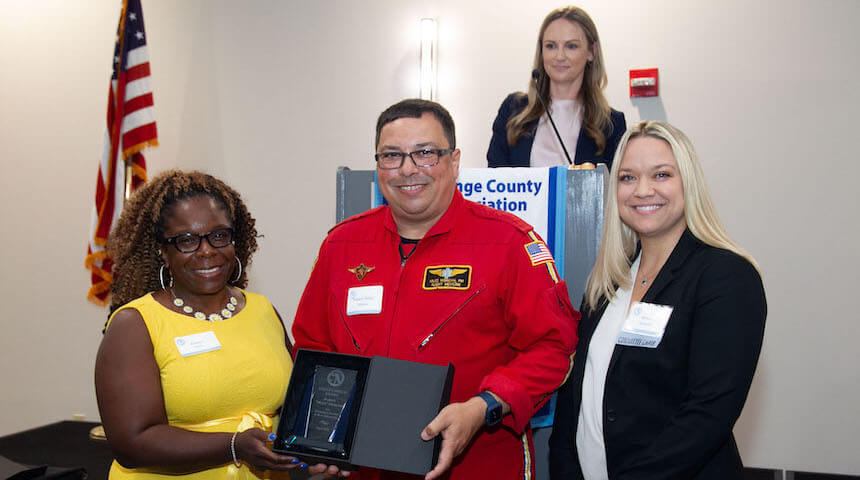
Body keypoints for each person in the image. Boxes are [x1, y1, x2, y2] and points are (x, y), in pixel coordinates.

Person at [292, 99, 580, 480]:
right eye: (392, 155)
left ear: (454, 160)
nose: (408, 169)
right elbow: (312, 346)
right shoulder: (341, 245)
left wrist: (484, 406)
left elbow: (555, 347)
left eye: (425, 153)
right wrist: (319, 436)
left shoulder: (509, 243)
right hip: (363, 469)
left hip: (478, 465)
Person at [548, 121, 767, 479]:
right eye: (628, 177)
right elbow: (575, 403)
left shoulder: (725, 276)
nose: (642, 190)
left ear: (688, 184)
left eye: (661, 175)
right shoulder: (606, 282)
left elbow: (707, 414)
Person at [94, 170, 336, 479]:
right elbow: (132, 443)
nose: (207, 250)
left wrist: (322, 451)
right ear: (162, 252)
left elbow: (295, 409)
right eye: (187, 240)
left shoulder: (262, 311)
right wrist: (234, 447)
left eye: (219, 235)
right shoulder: (134, 324)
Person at [487, 5, 626, 169]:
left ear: (591, 51)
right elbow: (495, 181)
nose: (559, 56)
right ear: (541, 51)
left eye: (571, 46)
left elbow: (613, 190)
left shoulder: (611, 124)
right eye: (551, 46)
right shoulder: (512, 109)